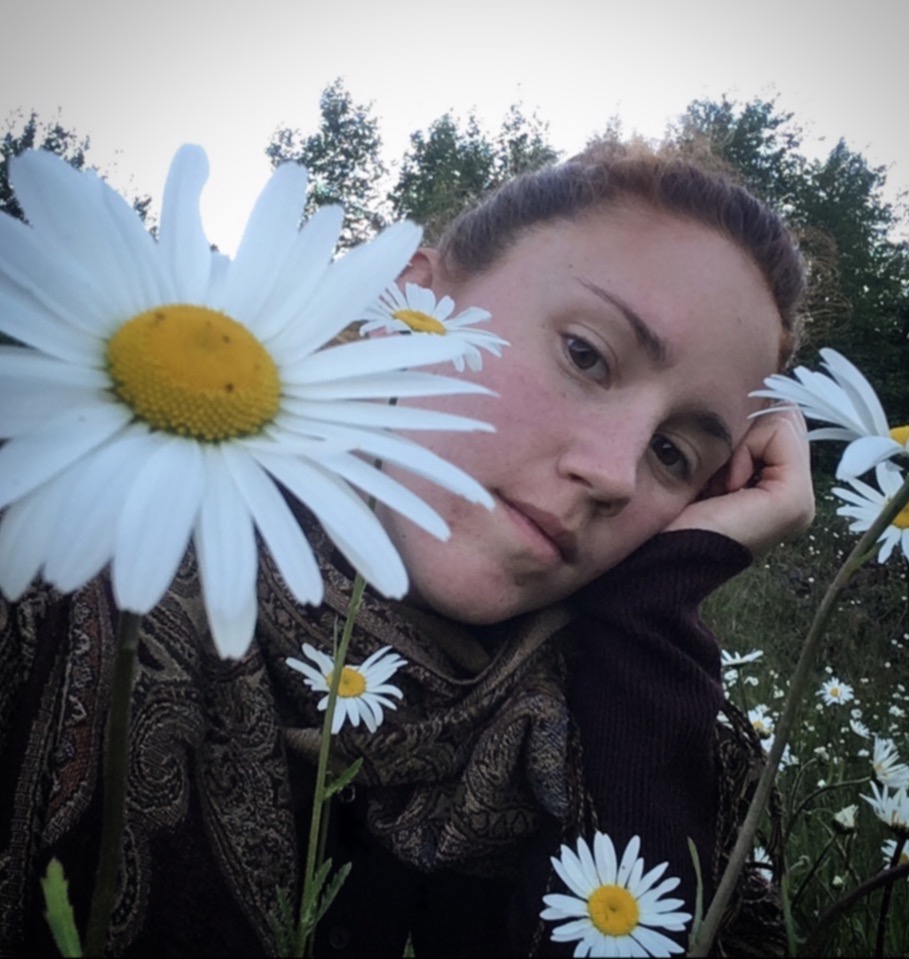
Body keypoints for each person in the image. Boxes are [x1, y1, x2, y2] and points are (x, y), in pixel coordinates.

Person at [0, 138, 815, 957]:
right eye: (586, 354)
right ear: (414, 299)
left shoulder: (647, 724)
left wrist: (654, 605)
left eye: (673, 455)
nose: (611, 473)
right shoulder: (58, 566)